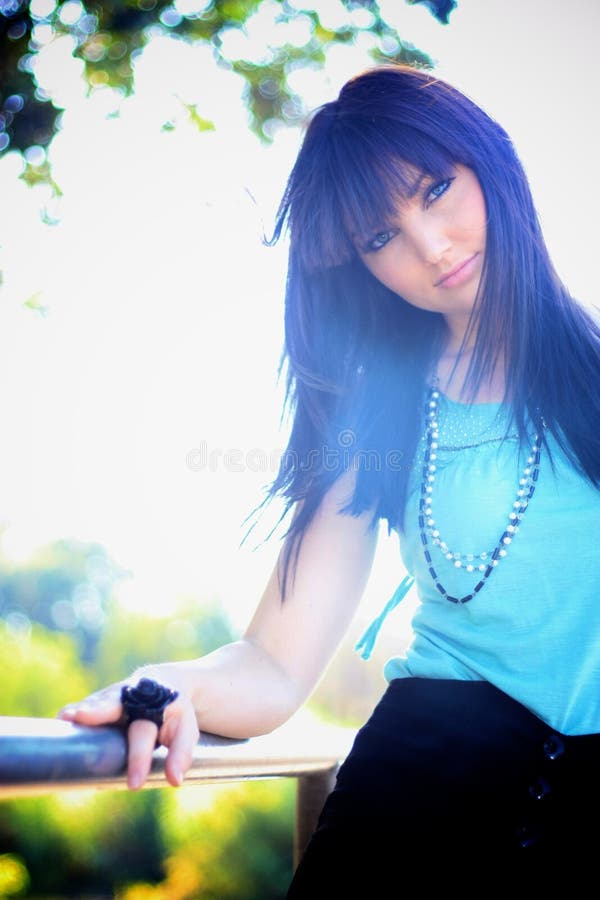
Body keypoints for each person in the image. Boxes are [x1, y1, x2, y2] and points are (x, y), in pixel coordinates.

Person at [58, 64, 600, 892]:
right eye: (380, 237)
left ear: (491, 162)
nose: (430, 247)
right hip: (409, 821)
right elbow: (275, 662)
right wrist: (168, 686)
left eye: (436, 190)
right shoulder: (373, 419)